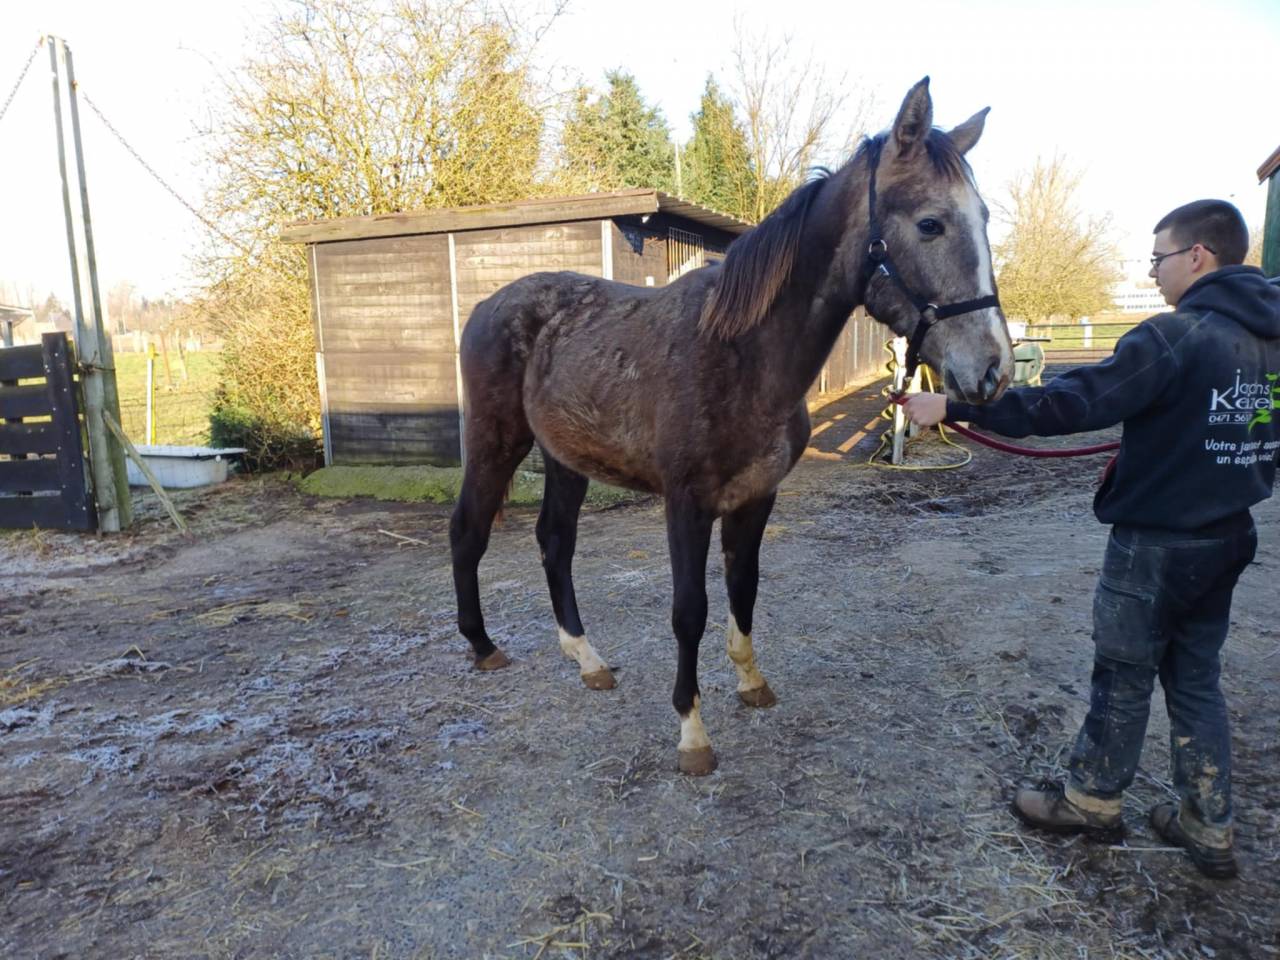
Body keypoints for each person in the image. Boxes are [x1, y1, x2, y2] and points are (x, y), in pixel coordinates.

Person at [905, 199, 1280, 879]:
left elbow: (1068, 402)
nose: (1153, 272)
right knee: (1196, 679)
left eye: (1158, 257)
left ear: (1197, 255)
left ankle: (1093, 798)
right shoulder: (1272, 341)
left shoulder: (1174, 336)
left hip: (1157, 545)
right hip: (1229, 537)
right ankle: (1208, 822)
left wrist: (952, 406)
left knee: (1124, 672)